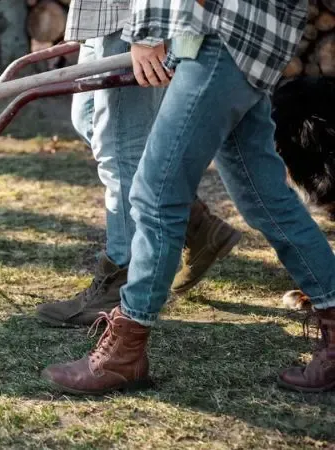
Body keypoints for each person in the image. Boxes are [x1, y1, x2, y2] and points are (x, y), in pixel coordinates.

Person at [42, 0, 335, 394]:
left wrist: (146, 33)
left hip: (219, 31)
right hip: (251, 38)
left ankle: (123, 355)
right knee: (264, 199)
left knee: (156, 197)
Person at [35, 0, 241, 327]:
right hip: (100, 15)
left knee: (121, 149)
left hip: (130, 17)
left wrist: (147, 33)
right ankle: (195, 224)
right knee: (88, 119)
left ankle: (123, 281)